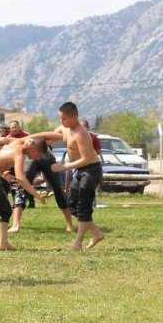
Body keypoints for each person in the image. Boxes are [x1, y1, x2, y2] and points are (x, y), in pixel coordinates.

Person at [0, 137, 48, 250]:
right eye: (39, 155)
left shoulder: (16, 142)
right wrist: (36, 194)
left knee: (5, 209)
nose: (37, 158)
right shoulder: (20, 155)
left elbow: (3, 139)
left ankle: (3, 244)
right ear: (33, 149)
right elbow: (21, 178)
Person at [46, 106, 105, 249]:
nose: (61, 121)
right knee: (72, 204)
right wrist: (38, 140)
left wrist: (64, 166)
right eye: (60, 118)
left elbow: (86, 159)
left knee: (83, 207)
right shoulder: (66, 128)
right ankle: (96, 233)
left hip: (91, 171)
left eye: (64, 118)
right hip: (80, 170)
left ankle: (78, 243)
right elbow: (51, 135)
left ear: (74, 118)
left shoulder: (81, 134)